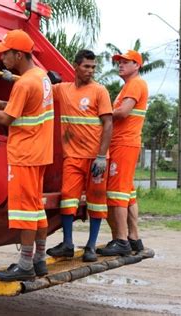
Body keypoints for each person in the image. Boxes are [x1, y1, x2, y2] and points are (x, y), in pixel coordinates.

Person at [0, 29, 54, 281]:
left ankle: (25, 265)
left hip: (24, 155)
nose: (2, 59)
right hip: (40, 153)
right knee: (36, 208)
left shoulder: (23, 83)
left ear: (18, 55)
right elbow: (23, 109)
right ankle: (39, 261)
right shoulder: (41, 78)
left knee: (24, 212)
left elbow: (9, 119)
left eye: (5, 53)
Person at [46, 50, 113, 262]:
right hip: (73, 157)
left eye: (93, 67)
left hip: (96, 159)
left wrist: (102, 157)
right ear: (76, 66)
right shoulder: (63, 90)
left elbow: (108, 124)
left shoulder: (100, 91)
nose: (91, 71)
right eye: (86, 66)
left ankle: (91, 247)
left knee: (97, 202)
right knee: (68, 199)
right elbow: (40, 88)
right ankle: (67, 244)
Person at [99, 50, 148, 256]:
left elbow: (122, 112)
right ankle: (133, 238)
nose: (120, 65)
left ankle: (120, 240)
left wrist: (99, 112)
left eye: (125, 62)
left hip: (124, 144)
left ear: (137, 65)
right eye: (119, 62)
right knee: (127, 193)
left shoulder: (135, 84)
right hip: (125, 143)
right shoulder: (129, 86)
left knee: (117, 193)